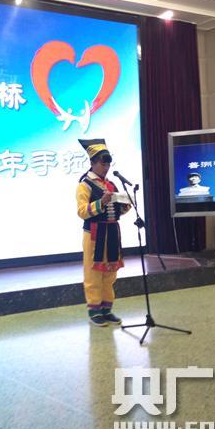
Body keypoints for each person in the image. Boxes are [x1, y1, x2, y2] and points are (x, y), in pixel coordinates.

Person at [76, 138, 131, 327]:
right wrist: (101, 203)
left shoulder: (112, 185)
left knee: (110, 273)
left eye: (108, 164)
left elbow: (120, 211)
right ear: (92, 163)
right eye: (102, 164)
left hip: (112, 232)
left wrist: (126, 204)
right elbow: (82, 211)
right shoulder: (85, 185)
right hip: (94, 234)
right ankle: (94, 311)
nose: (106, 167)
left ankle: (107, 310)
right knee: (93, 274)